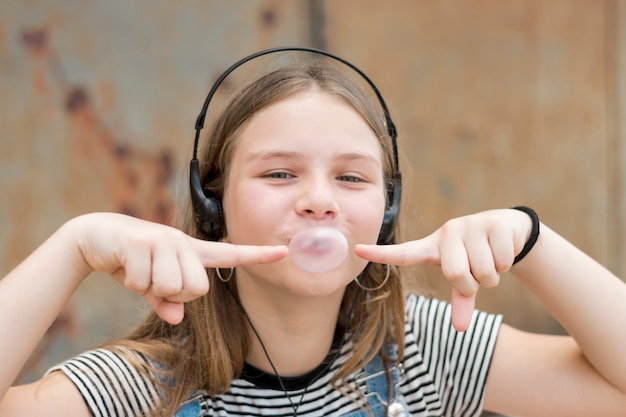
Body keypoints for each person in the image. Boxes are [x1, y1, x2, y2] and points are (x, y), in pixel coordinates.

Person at [1, 49, 626, 417]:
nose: (320, 201)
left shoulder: (424, 352)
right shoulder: (140, 389)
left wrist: (531, 240)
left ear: (387, 206)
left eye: (352, 179)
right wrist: (75, 245)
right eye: (279, 172)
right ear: (211, 200)